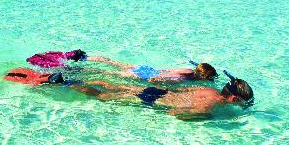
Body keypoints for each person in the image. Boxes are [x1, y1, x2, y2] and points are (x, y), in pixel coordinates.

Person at [68, 75, 254, 120]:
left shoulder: (208, 89)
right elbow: (176, 113)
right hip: (151, 99)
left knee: (112, 86)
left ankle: (76, 78)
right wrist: (205, 118)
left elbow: (184, 91)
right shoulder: (208, 107)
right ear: (234, 99)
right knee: (103, 96)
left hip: (158, 90)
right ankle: (66, 83)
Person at [86, 56, 218, 83]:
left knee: (116, 63)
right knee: (110, 73)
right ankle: (86, 71)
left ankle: (88, 58)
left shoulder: (188, 70)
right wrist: (153, 80)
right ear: (203, 76)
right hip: (145, 74)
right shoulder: (186, 78)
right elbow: (168, 78)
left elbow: (167, 70)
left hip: (149, 68)